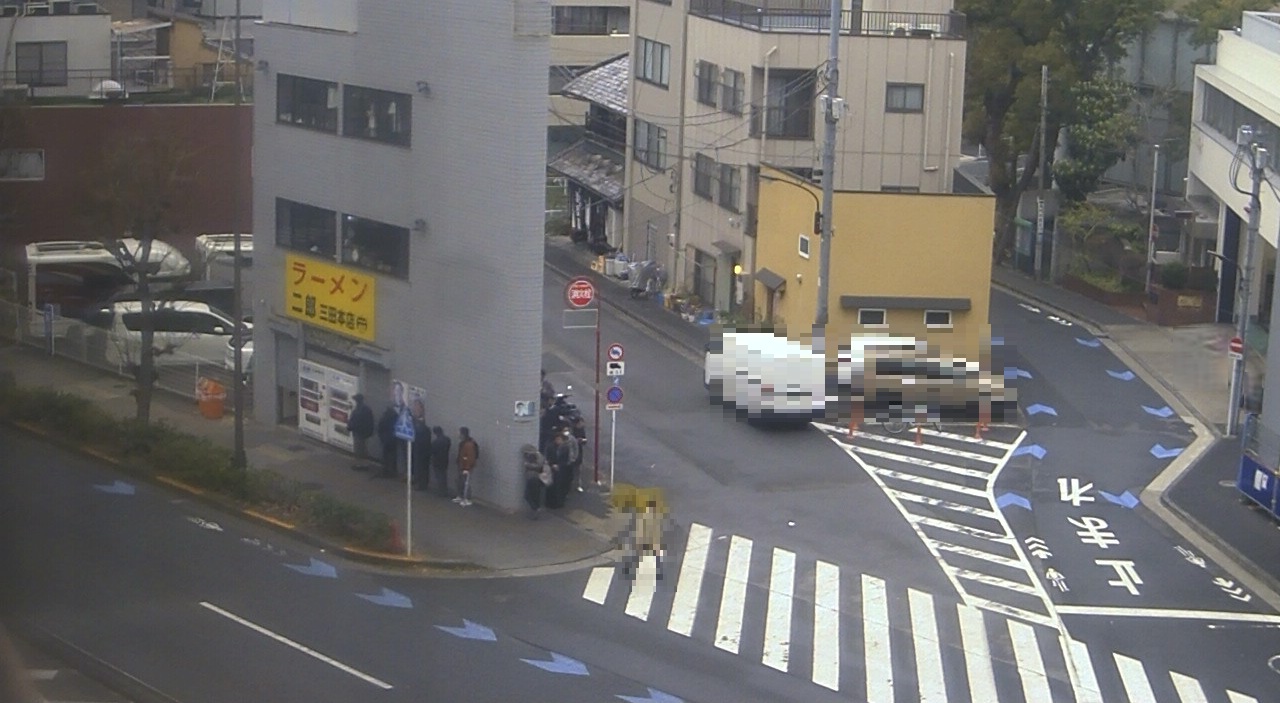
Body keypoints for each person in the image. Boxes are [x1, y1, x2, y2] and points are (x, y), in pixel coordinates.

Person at [346, 393, 375, 468]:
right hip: (364, 432)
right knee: (363, 449)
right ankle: (364, 464)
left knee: (359, 449)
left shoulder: (359, 410)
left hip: (359, 432)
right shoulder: (366, 409)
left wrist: (350, 427)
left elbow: (355, 421)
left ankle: (360, 464)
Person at [545, 432, 571, 509]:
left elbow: (566, 459)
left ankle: (559, 502)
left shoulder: (565, 448)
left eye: (560, 439)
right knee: (552, 486)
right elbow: (548, 458)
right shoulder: (550, 447)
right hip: (552, 469)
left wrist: (560, 465)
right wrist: (552, 464)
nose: (558, 441)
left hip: (561, 470)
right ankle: (550, 503)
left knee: (560, 486)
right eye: (557, 439)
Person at [453, 427, 479, 506]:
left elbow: (470, 457)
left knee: (465, 482)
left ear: (463, 434)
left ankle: (466, 498)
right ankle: (461, 496)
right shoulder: (465, 443)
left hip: (465, 466)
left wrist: (467, 468)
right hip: (462, 465)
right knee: (460, 481)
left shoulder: (468, 444)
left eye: (459, 433)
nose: (458, 434)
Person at [522, 444, 549, 518]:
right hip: (534, 478)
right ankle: (536, 509)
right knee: (534, 495)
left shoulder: (536, 456)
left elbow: (539, 466)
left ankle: (536, 509)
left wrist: (528, 465)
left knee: (529, 495)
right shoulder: (536, 456)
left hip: (535, 478)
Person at [411, 405, 431, 491]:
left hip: (420, 452)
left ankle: (421, 485)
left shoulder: (421, 430)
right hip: (423, 453)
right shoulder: (425, 430)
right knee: (422, 469)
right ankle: (421, 484)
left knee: (420, 469)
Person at [376, 405, 399, 479]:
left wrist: (381, 437)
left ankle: (385, 471)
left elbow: (380, 427)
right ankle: (392, 471)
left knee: (385, 456)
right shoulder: (396, 417)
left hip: (385, 439)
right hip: (393, 440)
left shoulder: (384, 417)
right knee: (393, 456)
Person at [430, 425, 452, 498]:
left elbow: (432, 452)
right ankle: (444, 490)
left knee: (439, 476)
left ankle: (441, 491)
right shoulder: (447, 439)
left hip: (437, 461)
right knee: (444, 475)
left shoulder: (435, 442)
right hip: (445, 460)